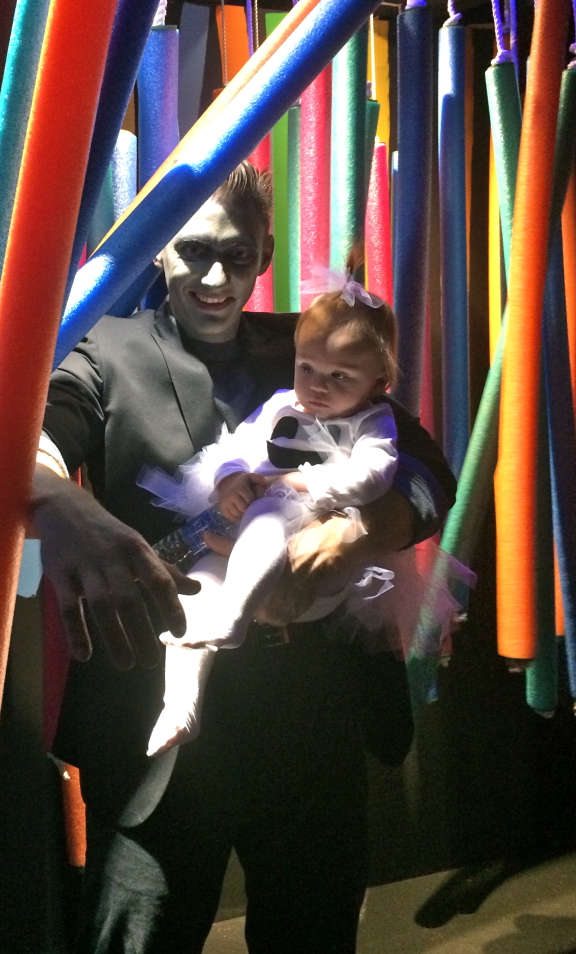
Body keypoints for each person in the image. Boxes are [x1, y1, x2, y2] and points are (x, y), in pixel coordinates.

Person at [32, 162, 456, 954]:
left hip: (313, 709)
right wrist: (63, 506)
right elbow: (32, 443)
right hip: (163, 720)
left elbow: (429, 472)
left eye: (235, 255)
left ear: (263, 254)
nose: (214, 277)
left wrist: (357, 535)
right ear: (160, 248)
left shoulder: (313, 343)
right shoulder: (103, 348)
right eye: (194, 251)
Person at [142, 276, 414, 758]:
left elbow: (375, 475)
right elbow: (237, 445)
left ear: (379, 383)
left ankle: (234, 617)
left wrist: (301, 483)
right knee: (197, 585)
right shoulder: (281, 403)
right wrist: (230, 479)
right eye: (307, 368)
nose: (318, 385)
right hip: (250, 538)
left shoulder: (373, 421)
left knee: (267, 515)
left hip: (314, 549)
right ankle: (182, 703)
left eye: (340, 377)